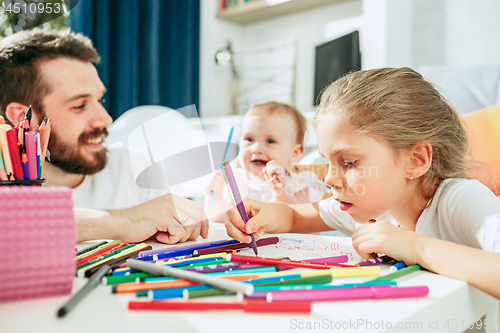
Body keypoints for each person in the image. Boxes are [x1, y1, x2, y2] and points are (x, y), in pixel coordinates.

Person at [224, 67, 500, 299]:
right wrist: (265, 212)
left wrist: (416, 247)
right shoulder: (368, 205)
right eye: (327, 162)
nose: (330, 179)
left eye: (349, 163)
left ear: (415, 160)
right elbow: (296, 218)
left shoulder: (460, 199)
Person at [0, 29, 208, 244]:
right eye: (79, 105)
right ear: (21, 118)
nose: (105, 119)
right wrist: (119, 222)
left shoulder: (132, 167)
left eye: (100, 100)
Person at [204, 102, 327, 222]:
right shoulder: (233, 180)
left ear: (295, 153)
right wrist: (215, 196)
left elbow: (297, 221)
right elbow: (218, 222)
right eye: (249, 139)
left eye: (270, 141)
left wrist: (281, 191)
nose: (256, 149)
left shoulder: (301, 183)